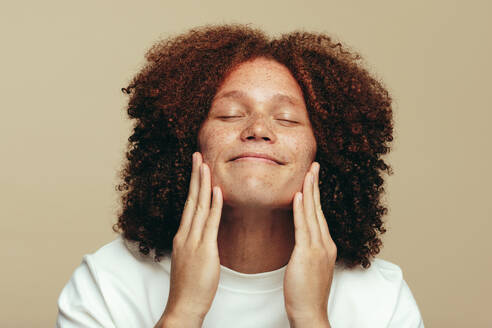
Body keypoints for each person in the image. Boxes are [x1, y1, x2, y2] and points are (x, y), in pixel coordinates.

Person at [56, 24, 424, 327]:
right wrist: (183, 311)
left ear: (327, 151)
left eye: (288, 118)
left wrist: (310, 317)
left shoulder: (382, 298)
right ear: (186, 140)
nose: (258, 129)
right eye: (230, 114)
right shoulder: (107, 282)